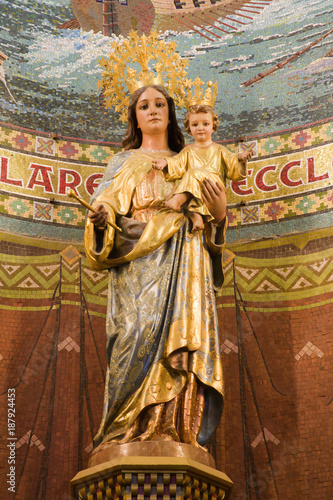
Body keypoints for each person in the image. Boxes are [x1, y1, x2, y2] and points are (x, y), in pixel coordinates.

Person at [84, 85, 244, 453]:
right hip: (136, 260)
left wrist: (219, 216)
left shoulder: (191, 158)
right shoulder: (122, 163)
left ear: (172, 114)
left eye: (160, 104)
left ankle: (174, 432)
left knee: (182, 338)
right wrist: (101, 217)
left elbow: (211, 223)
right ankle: (121, 432)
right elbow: (105, 205)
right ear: (135, 117)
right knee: (133, 334)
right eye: (144, 105)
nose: (153, 110)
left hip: (186, 255)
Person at [153, 104, 253, 232]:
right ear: (189, 128)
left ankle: (177, 201)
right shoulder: (188, 151)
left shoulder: (219, 149)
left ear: (213, 127)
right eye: (195, 125)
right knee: (190, 196)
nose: (200, 128)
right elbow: (177, 163)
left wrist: (240, 158)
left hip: (213, 187)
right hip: (194, 191)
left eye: (205, 124)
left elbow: (231, 163)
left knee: (192, 173)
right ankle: (197, 219)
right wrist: (166, 163)